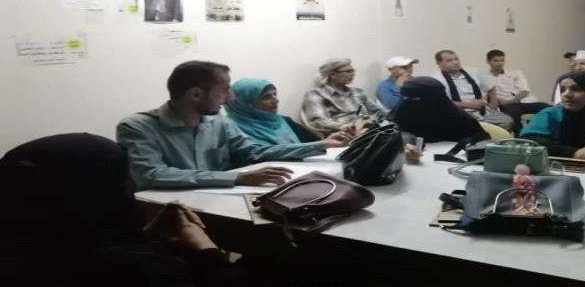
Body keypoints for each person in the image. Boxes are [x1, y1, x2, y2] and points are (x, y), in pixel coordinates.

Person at [0, 133, 285, 285]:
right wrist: (205, 250)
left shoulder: (25, 246)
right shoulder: (131, 268)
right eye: (123, 179)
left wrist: (146, 236)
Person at [117, 61, 297, 190]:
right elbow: (151, 175)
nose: (230, 98)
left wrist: (312, 147)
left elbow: (253, 152)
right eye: (225, 90)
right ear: (196, 94)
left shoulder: (219, 121)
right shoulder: (137, 127)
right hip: (172, 213)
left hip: (219, 202)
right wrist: (237, 177)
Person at [225, 78, 353, 158]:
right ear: (246, 103)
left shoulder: (282, 121)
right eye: (267, 97)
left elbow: (317, 142)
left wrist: (339, 138)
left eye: (275, 94)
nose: (276, 100)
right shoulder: (231, 127)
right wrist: (322, 144)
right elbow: (257, 154)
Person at [431, 49, 513, 131]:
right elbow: (441, 102)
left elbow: (491, 88)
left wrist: (492, 106)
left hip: (482, 111)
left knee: (508, 121)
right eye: (449, 60)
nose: (455, 62)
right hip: (460, 114)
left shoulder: (472, 72)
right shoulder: (436, 79)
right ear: (439, 63)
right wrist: (468, 105)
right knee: (471, 128)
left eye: (456, 59)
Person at [389, 76, 490, 143]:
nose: (407, 102)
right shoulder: (402, 113)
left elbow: (483, 147)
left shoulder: (462, 121)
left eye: (414, 99)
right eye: (405, 98)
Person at [301, 58, 383, 135]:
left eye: (353, 71)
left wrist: (373, 121)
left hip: (372, 131)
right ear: (332, 74)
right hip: (345, 136)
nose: (353, 74)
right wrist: (346, 127)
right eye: (348, 71)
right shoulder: (316, 94)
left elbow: (376, 111)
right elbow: (318, 121)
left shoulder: (358, 92)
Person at [481, 49, 549, 133]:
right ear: (488, 61)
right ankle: (520, 136)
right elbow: (486, 95)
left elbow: (525, 91)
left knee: (549, 108)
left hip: (526, 102)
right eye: (496, 60)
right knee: (512, 118)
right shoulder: (484, 77)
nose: (500, 63)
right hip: (508, 106)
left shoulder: (516, 73)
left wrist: (510, 101)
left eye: (502, 60)